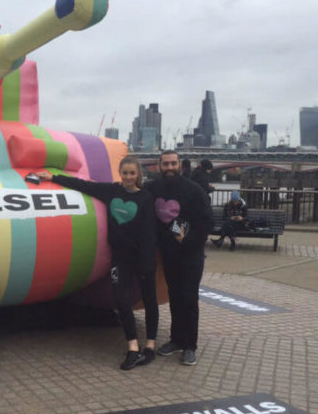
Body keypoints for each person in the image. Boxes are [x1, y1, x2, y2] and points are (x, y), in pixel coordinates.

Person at [36, 156, 159, 370]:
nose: (128, 177)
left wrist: (147, 260)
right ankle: (132, 348)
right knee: (121, 299)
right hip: (120, 257)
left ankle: (150, 346)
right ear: (120, 173)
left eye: (132, 173)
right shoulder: (111, 191)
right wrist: (53, 177)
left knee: (149, 299)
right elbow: (82, 185)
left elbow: (150, 233)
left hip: (143, 258)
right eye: (125, 173)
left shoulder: (146, 198)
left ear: (138, 174)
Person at [145, 150, 213, 366]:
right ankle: (176, 339)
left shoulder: (194, 190)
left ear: (180, 165)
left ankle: (190, 346)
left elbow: (207, 222)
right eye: (166, 164)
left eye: (173, 163)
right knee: (174, 296)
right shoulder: (152, 188)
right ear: (159, 165)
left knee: (189, 299)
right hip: (169, 254)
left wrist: (189, 240)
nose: (170, 168)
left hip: (191, 254)